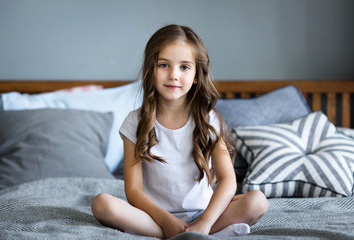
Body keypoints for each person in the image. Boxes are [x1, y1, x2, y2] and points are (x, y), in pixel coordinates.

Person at [91, 24, 268, 239]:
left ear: (196, 75)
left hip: (205, 213)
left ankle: (198, 232)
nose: (174, 75)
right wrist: (167, 221)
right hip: (156, 217)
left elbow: (228, 180)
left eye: (184, 67)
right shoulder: (135, 122)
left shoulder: (209, 120)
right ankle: (185, 234)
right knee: (102, 204)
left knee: (257, 201)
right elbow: (134, 190)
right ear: (150, 70)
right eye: (164, 65)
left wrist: (205, 221)